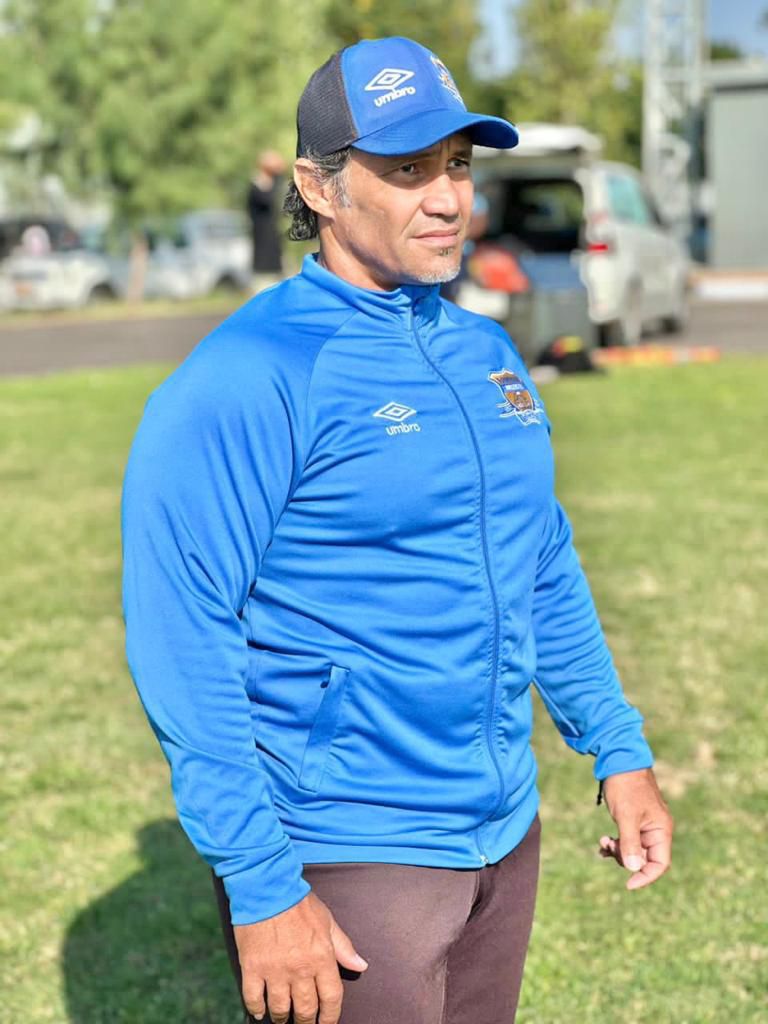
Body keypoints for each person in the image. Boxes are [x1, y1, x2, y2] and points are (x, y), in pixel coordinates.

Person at [122, 36, 673, 1024]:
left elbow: (540, 560)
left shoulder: (486, 351)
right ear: (318, 188)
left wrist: (616, 747)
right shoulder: (248, 374)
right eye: (408, 169)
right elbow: (181, 632)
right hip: (346, 851)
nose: (449, 197)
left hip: (502, 835)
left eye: (458, 165)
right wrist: (261, 880)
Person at [246, 149, 287, 292]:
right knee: (263, 283)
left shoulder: (274, 183)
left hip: (274, 243)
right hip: (262, 245)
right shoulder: (256, 186)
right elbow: (268, 199)